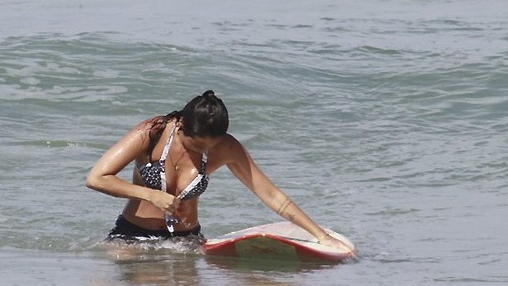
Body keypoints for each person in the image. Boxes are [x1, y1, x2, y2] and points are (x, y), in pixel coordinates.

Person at [86, 90, 352, 251]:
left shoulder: (225, 147)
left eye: (211, 146)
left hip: (185, 242)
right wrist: (150, 195)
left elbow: (272, 196)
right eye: (198, 144)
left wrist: (321, 236)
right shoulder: (151, 133)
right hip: (132, 238)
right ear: (180, 127)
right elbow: (97, 178)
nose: (205, 151)